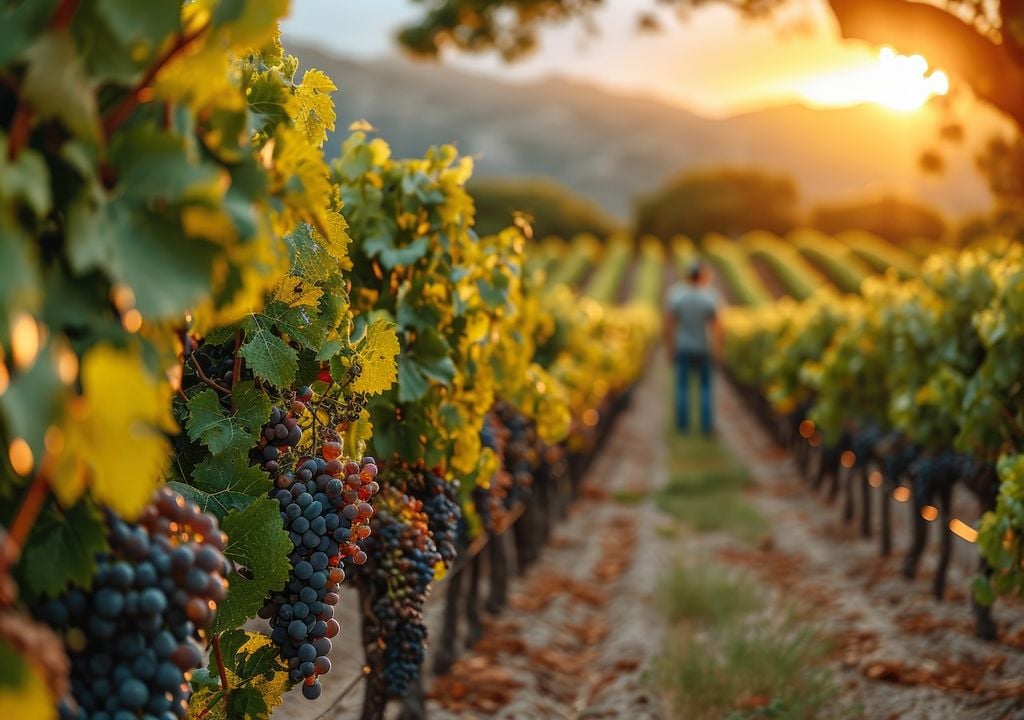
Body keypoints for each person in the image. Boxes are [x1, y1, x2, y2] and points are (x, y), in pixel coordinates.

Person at [663, 260, 723, 435]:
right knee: (705, 388)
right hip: (703, 347)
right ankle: (706, 426)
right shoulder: (709, 296)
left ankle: (682, 426)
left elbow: (669, 323)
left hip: (683, 346)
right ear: (703, 276)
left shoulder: (676, 295)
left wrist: (669, 346)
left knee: (682, 387)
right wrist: (719, 348)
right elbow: (717, 325)